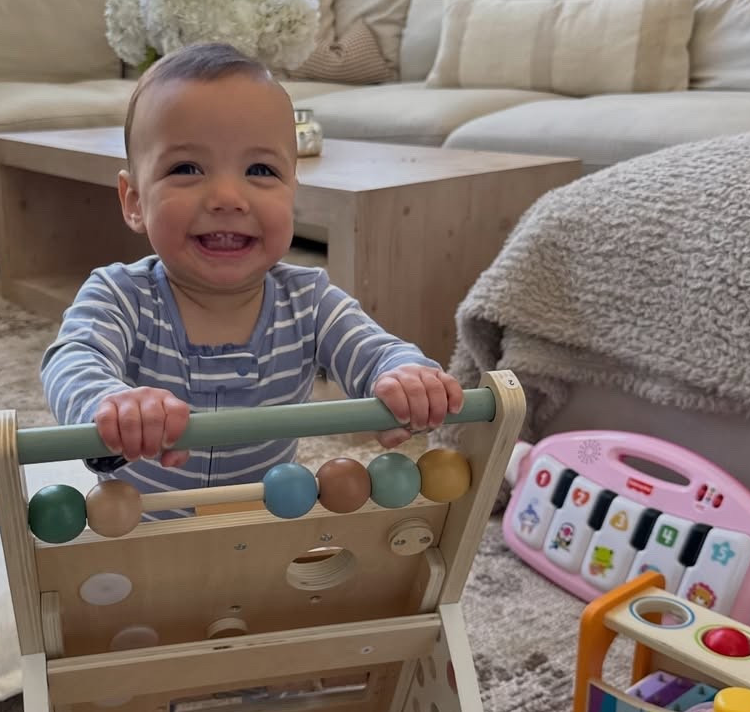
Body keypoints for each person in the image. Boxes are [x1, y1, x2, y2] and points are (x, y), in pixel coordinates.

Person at [41, 42, 463, 498]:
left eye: (260, 169)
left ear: (293, 191)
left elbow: (378, 352)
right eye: (187, 168)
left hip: (265, 528)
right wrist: (109, 402)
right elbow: (72, 361)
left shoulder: (310, 301)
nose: (227, 196)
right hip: (137, 532)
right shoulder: (118, 294)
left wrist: (406, 375)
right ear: (135, 201)